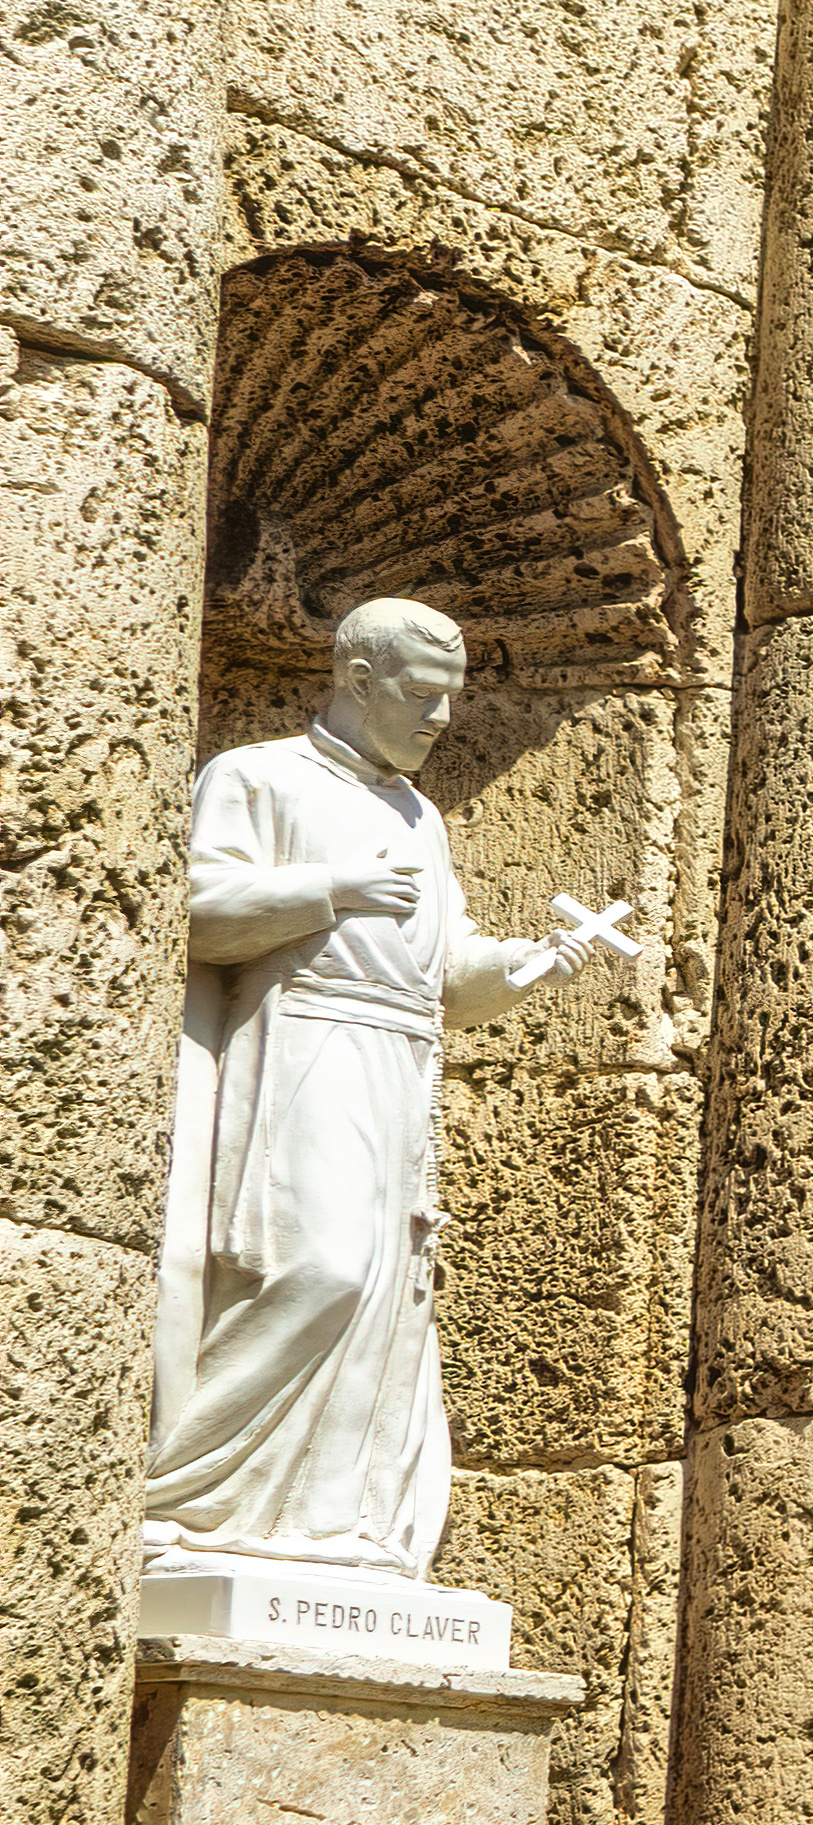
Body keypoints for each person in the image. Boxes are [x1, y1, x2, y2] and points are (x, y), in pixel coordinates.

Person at [138, 597, 584, 1577]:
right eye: (422, 696)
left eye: (452, 700)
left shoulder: (417, 814)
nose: (440, 720)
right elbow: (195, 911)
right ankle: (182, 1494)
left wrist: (527, 963)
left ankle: (329, 1529)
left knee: (387, 1298)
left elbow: (439, 969)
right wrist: (328, 889)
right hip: (302, 1040)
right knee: (321, 1268)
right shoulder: (256, 777)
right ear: (358, 678)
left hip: (399, 1065)